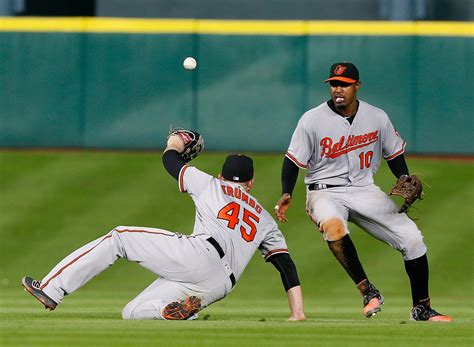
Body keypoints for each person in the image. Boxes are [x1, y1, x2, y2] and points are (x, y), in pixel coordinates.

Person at [22, 132, 306, 321]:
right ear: (252, 183)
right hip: (219, 286)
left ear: (222, 175)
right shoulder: (264, 219)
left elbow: (171, 162)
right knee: (132, 312)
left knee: (120, 237)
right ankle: (176, 312)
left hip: (199, 256)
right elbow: (286, 265)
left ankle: (51, 288)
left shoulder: (211, 183)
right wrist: (298, 313)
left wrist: (175, 142)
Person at [274, 62, 451, 322]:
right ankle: (367, 291)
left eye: (344, 85)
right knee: (334, 228)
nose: (338, 89)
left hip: (364, 189)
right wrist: (287, 191)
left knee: (413, 239)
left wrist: (403, 176)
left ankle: (421, 309)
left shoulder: (377, 116)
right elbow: (292, 160)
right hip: (325, 191)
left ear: (357, 86)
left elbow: (395, 153)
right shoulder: (311, 120)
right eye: (334, 84)